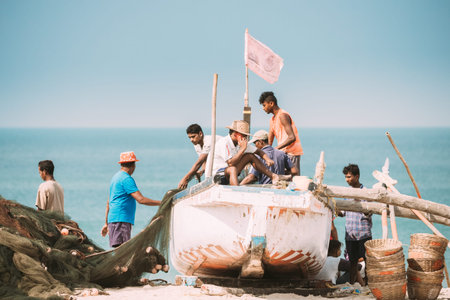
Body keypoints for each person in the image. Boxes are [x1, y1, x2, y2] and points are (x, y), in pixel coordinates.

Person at [101, 151, 161, 248]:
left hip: (114, 220)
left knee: (118, 250)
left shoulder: (115, 177)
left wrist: (106, 223)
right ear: (133, 165)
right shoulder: (126, 179)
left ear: (121, 164)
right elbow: (141, 199)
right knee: (123, 250)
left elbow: (109, 202)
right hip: (121, 220)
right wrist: (162, 203)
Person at [209, 120, 284, 186]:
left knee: (250, 156)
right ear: (235, 134)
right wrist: (242, 149)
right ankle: (236, 191)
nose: (245, 138)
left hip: (232, 172)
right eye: (243, 135)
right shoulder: (224, 143)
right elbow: (231, 163)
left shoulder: (240, 143)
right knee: (232, 169)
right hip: (218, 175)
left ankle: (273, 176)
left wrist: (267, 159)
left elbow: (258, 151)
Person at [341, 164, 371, 285]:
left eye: (349, 177)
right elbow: (343, 212)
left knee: (367, 260)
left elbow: (369, 212)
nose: (347, 179)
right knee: (352, 262)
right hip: (350, 234)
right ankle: (352, 285)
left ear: (357, 176)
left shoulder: (366, 192)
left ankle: (369, 285)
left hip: (363, 233)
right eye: (345, 177)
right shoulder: (346, 192)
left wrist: (360, 204)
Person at [258, 91, 303, 174]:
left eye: (264, 105)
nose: (263, 108)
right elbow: (269, 141)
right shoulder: (272, 120)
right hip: (282, 153)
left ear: (271, 103)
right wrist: (262, 153)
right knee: (282, 179)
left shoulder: (283, 115)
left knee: (294, 180)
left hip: (292, 153)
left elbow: (292, 137)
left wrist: (275, 149)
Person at [178, 124, 221, 189]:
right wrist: (202, 170)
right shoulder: (197, 145)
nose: (191, 140)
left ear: (200, 134)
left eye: (193, 136)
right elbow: (204, 160)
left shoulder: (208, 141)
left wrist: (186, 179)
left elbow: (199, 162)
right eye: (189, 137)